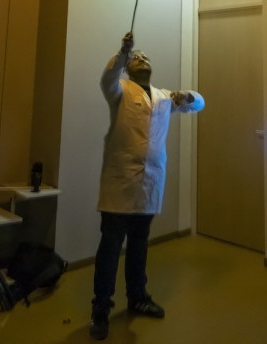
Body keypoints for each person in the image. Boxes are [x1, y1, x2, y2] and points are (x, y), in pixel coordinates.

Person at [89, 32, 205, 340]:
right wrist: (123, 51)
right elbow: (107, 76)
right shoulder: (119, 90)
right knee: (111, 246)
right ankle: (100, 309)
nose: (142, 59)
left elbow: (199, 104)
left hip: (150, 182)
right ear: (128, 68)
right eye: (136, 58)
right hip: (120, 183)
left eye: (145, 57)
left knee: (139, 244)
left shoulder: (164, 97)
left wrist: (187, 97)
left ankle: (138, 297)